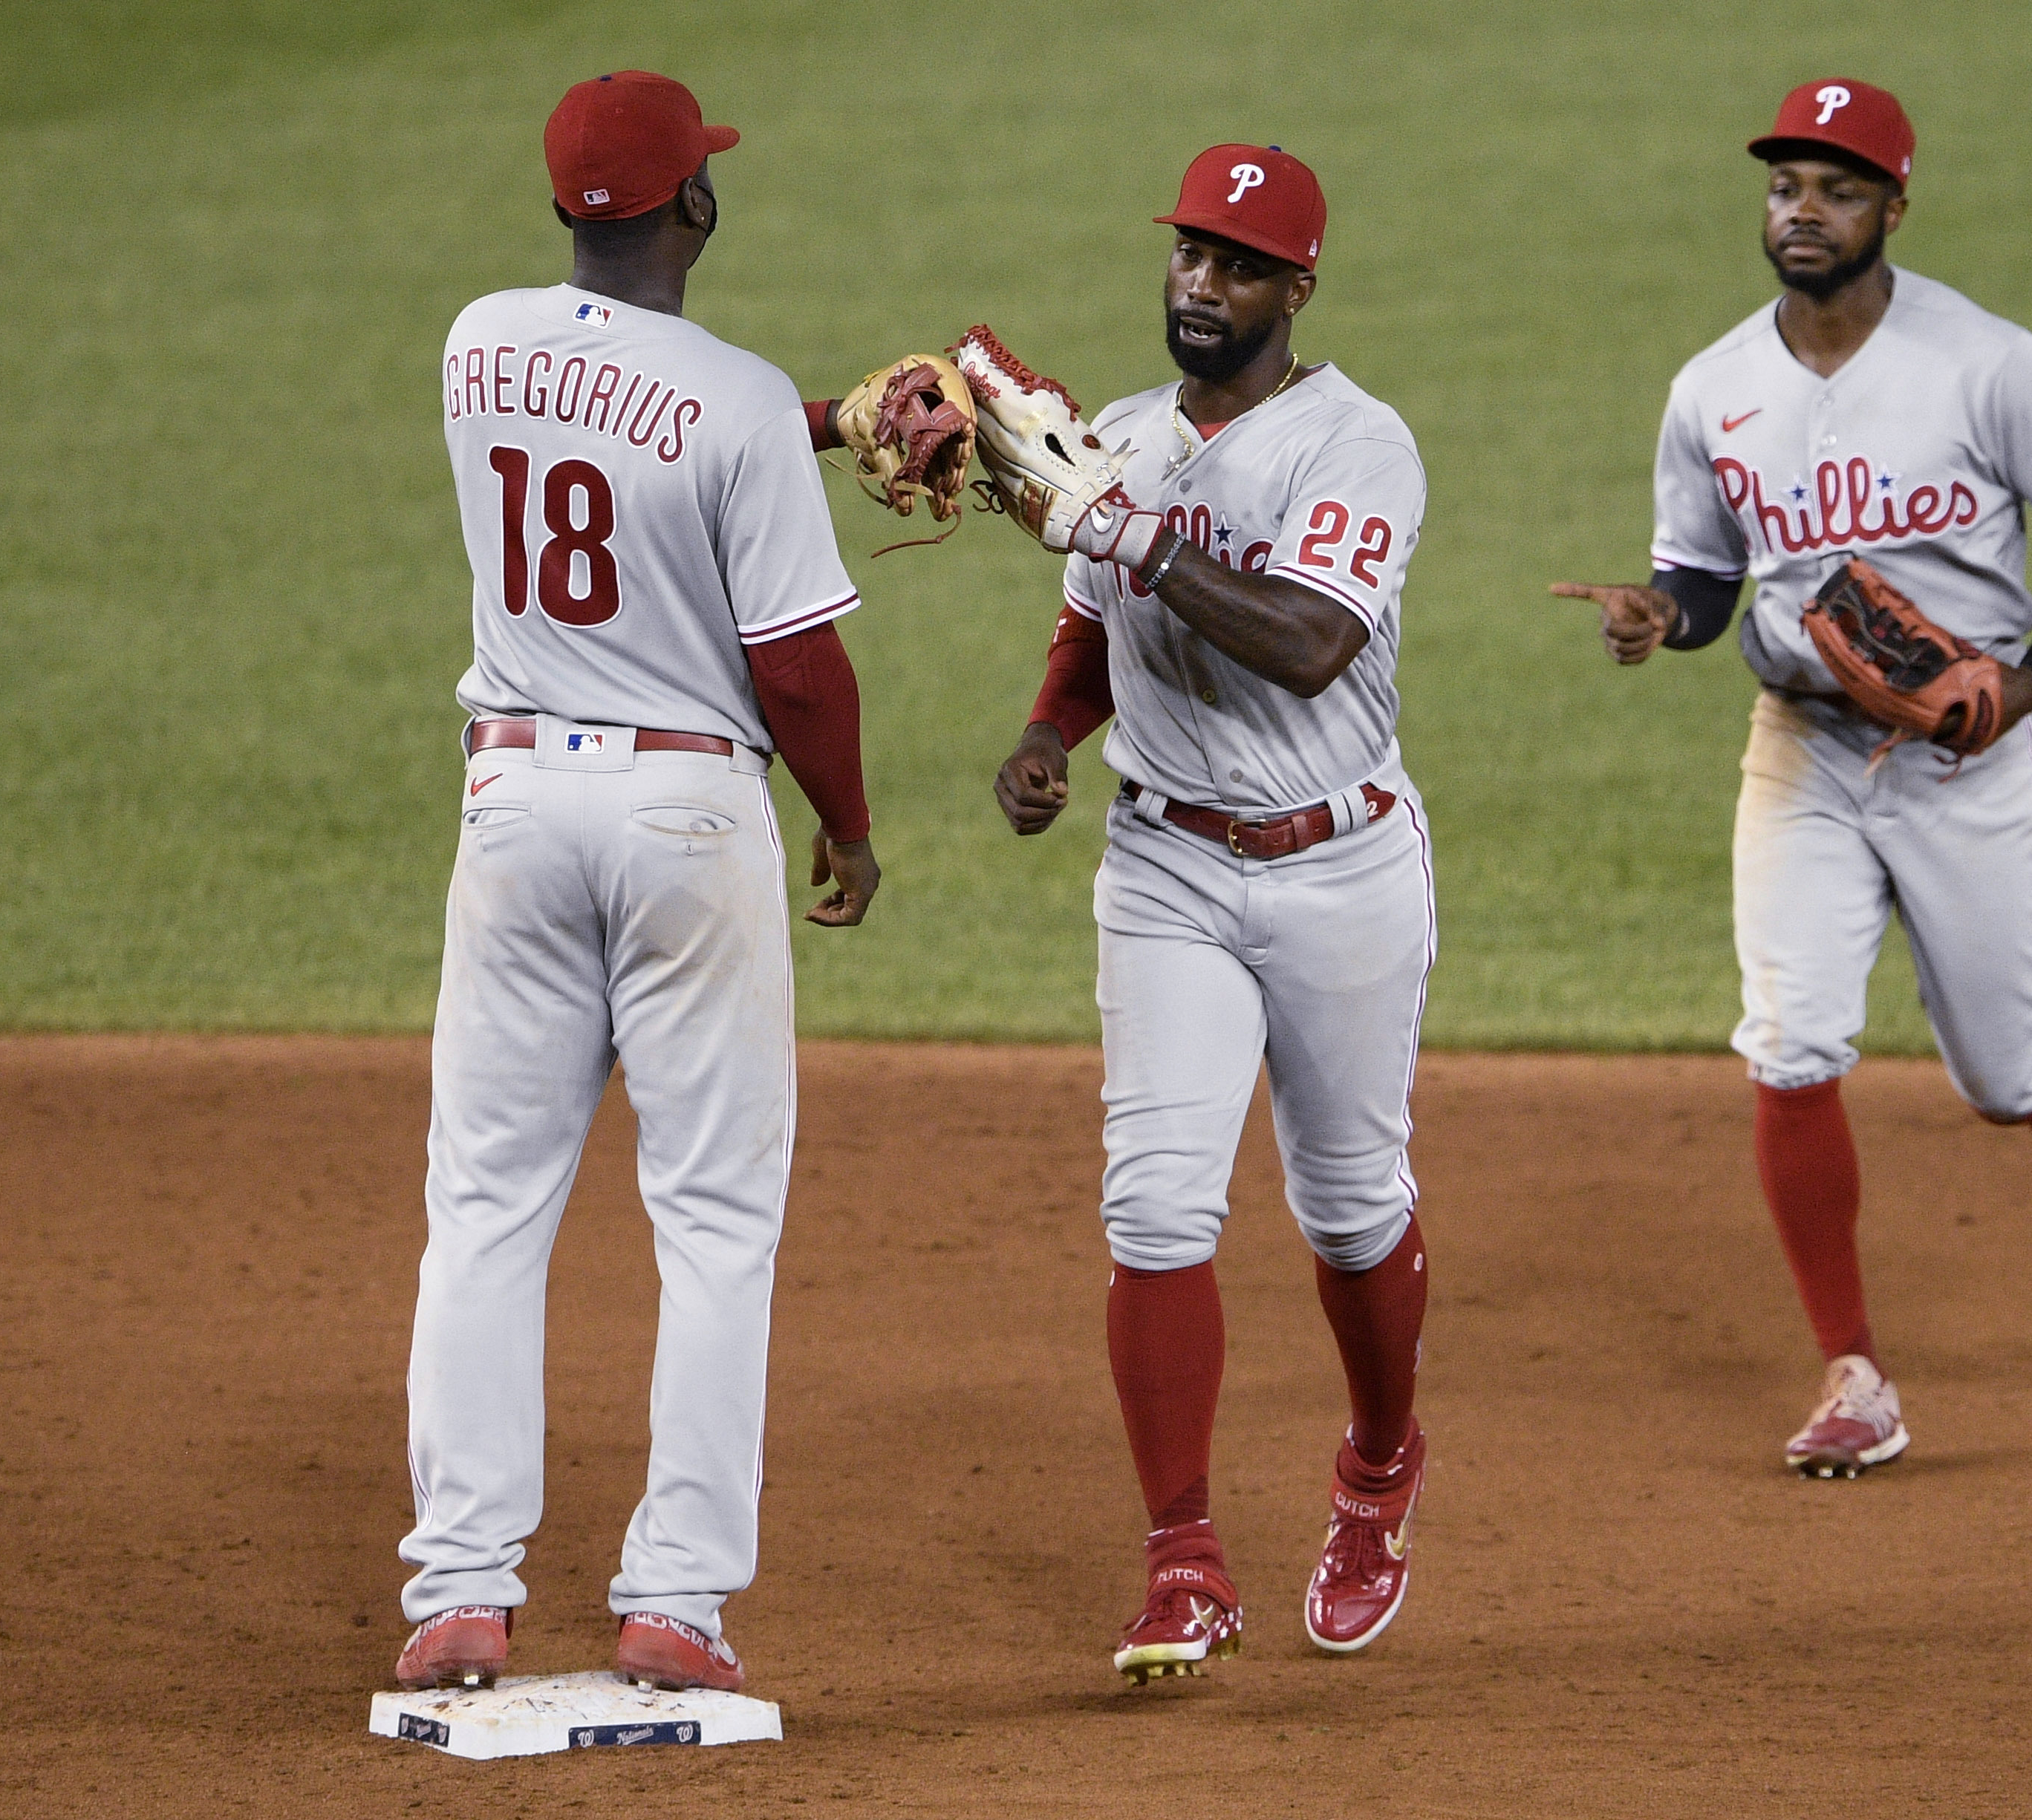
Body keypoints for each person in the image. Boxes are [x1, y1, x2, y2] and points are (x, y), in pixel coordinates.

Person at [1552, 78, 2032, 1479]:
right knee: (1792, 1040)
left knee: (2000, 1073)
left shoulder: (1986, 362)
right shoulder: (1715, 389)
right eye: (1784, 186)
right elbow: (1702, 577)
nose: (1802, 210)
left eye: (1834, 187)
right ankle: (1856, 1373)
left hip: (1970, 765)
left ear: (1893, 205)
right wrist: (1661, 617)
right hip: (1803, 749)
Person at [393, 70, 882, 1692]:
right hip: (687, 820)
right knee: (716, 1225)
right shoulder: (737, 400)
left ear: (563, 209)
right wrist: (851, 826)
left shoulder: (475, 343)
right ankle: (676, 1604)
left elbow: (619, 419)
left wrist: (823, 421)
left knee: (483, 1209)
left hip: (517, 808)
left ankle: (460, 1591)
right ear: (701, 206)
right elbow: (799, 667)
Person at [990, 146, 1438, 1681]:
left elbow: (1311, 643)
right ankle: (1183, 1563)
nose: (1201, 283)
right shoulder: (1115, 437)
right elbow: (1088, 626)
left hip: (1341, 870)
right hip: (1170, 867)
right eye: (1189, 253)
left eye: (1239, 265)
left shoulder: (1359, 447)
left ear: (1295, 288)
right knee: (1158, 1208)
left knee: (1353, 1210)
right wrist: (1054, 731)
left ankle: (1379, 1469)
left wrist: (1139, 541)